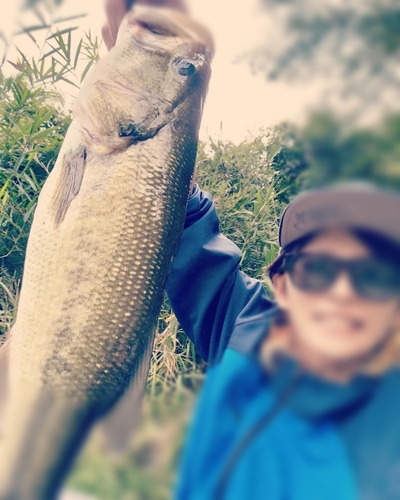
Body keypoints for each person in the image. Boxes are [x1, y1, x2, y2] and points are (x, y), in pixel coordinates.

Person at [103, 3, 400, 499]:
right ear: (282, 283)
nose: (343, 293)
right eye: (319, 270)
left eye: (372, 276)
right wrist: (148, 71)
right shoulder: (248, 327)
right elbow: (177, 216)